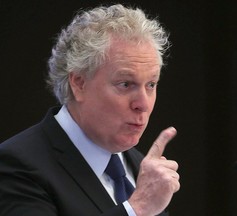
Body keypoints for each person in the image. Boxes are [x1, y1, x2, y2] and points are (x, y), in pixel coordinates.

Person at [0, 4, 180, 216]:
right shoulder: (17, 165)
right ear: (79, 84)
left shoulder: (142, 168)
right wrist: (136, 209)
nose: (143, 103)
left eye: (151, 85)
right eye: (125, 84)